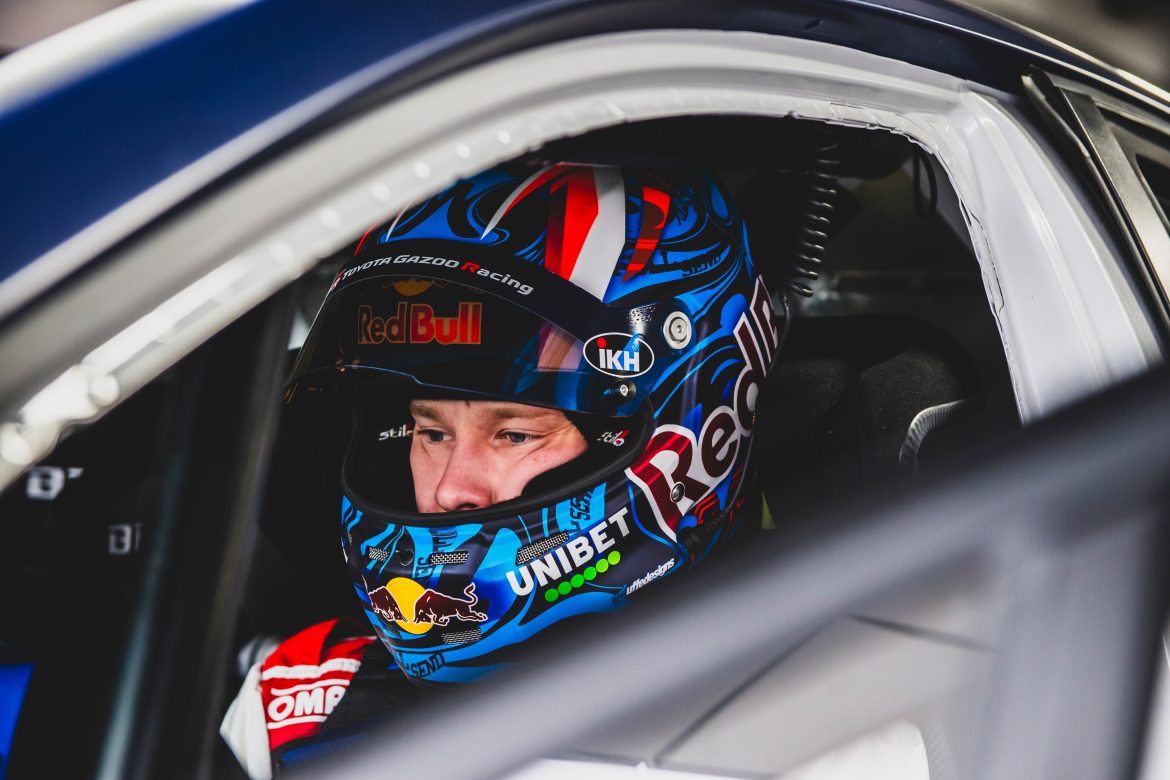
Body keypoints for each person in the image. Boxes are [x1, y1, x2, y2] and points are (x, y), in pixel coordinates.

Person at [221, 163, 782, 778]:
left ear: (694, 444)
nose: (449, 489)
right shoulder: (301, 709)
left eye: (515, 434)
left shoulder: (825, 709)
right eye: (432, 432)